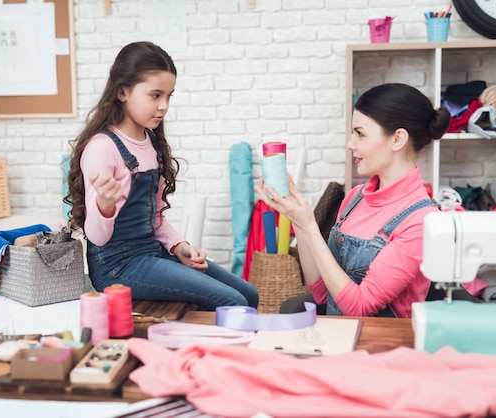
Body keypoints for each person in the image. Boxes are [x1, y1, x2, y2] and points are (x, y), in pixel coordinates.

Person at [65, 41, 258, 310]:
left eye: (169, 96)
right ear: (122, 92)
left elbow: (155, 216)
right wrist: (104, 206)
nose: (164, 105)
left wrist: (178, 245)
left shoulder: (150, 141)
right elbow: (97, 237)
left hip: (150, 252)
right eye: (155, 95)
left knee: (249, 294)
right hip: (115, 267)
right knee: (232, 301)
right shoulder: (102, 148)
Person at [256, 83, 450, 318]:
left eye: (360, 133)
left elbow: (360, 308)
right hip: (342, 333)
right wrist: (298, 218)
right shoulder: (355, 198)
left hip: (382, 344)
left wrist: (309, 226)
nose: (350, 144)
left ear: (397, 139)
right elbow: (322, 294)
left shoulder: (421, 221)